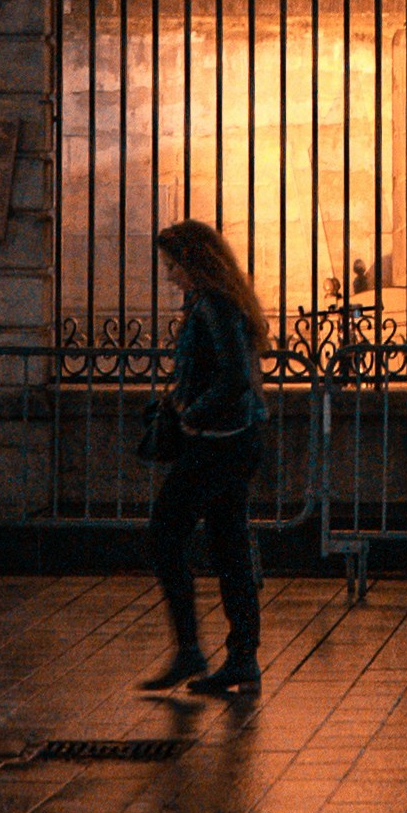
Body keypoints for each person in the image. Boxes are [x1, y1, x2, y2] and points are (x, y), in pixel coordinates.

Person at [144, 218, 270, 701]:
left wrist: (192, 416)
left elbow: (234, 376)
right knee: (228, 543)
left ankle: (192, 650)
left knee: (165, 532)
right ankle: (242, 657)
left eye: (172, 265)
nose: (170, 275)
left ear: (193, 263)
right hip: (236, 438)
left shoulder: (214, 305)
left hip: (220, 440)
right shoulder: (215, 301)